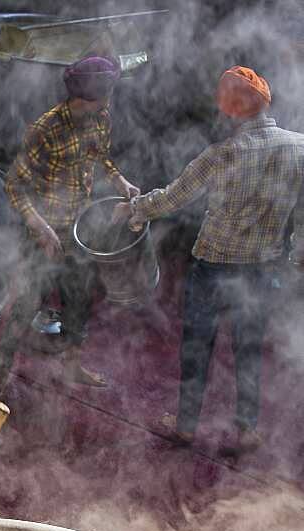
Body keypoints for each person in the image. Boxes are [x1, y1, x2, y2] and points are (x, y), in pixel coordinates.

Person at [115, 66, 304, 452]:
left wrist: (134, 208)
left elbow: (171, 198)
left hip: (212, 266)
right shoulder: (299, 147)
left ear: (230, 110)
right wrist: (297, 253)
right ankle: (246, 429)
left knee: (197, 346)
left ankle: (186, 426)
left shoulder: (220, 155)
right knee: (249, 348)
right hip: (262, 267)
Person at [0, 53, 141, 389]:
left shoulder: (101, 117)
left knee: (79, 300)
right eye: (108, 92)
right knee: (26, 305)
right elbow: (13, 186)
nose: (110, 99)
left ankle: (72, 366)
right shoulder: (45, 128)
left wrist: (122, 183)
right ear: (90, 96)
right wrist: (42, 229)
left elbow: (100, 157)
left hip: (78, 228)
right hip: (41, 233)